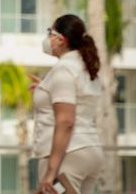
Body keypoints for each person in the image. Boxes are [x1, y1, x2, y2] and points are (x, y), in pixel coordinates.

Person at [30, 14, 103, 194]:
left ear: (61, 39)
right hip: (89, 152)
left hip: (67, 157)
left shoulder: (64, 69)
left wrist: (50, 172)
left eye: (50, 32)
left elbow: (66, 121)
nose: (47, 38)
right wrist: (46, 88)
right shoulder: (84, 67)